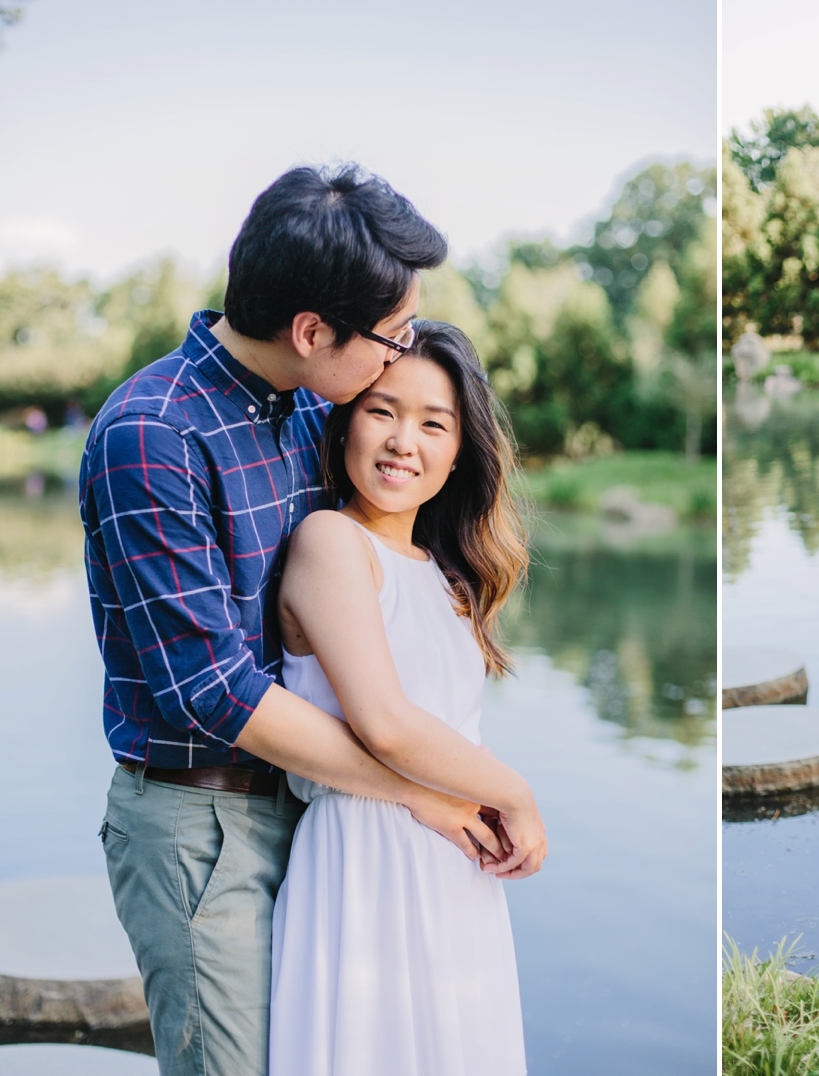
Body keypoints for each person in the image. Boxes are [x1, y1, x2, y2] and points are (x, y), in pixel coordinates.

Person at [82, 165, 500, 1075]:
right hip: (205, 827)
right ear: (313, 331)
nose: (398, 355)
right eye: (392, 340)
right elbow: (213, 693)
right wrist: (417, 791)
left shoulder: (308, 409)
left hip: (321, 818)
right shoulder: (151, 436)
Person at [269, 322, 543, 1075]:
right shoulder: (331, 542)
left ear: (460, 450)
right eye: (381, 411)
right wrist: (514, 794)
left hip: (455, 871)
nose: (402, 441)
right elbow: (385, 724)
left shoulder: (447, 574)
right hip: (366, 861)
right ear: (346, 419)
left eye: (433, 422)